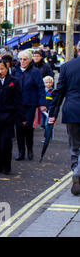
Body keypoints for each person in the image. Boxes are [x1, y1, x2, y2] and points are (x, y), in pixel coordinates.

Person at [49, 53, 80, 195]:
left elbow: (59, 92)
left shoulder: (66, 66)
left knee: (74, 145)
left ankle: (76, 171)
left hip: (72, 109)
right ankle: (78, 172)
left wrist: (53, 114)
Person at [0, 60, 25, 174]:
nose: (0, 71)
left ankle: (7, 166)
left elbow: (18, 100)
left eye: (2, 69)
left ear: (7, 68)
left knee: (5, 143)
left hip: (8, 116)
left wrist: (22, 117)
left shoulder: (14, 81)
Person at [11, 49, 46, 161]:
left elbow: (40, 88)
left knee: (28, 127)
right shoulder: (15, 71)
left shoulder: (35, 72)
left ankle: (29, 149)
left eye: (25, 59)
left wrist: (42, 104)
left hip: (30, 103)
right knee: (19, 128)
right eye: (20, 59)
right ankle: (21, 151)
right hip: (17, 104)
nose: (22, 61)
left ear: (29, 60)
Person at [41, 76, 54, 141]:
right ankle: (48, 135)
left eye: (49, 82)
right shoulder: (42, 91)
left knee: (47, 125)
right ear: (44, 83)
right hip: (43, 111)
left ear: (52, 83)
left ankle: (47, 137)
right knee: (43, 124)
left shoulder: (53, 92)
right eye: (46, 82)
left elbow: (54, 102)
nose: (48, 84)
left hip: (49, 111)